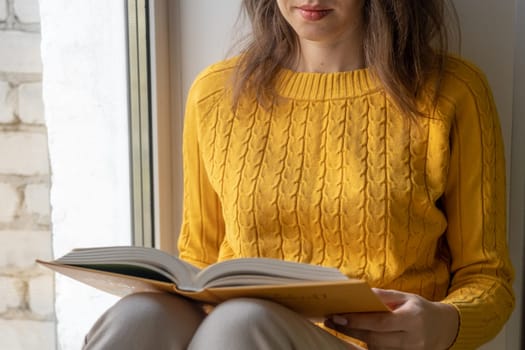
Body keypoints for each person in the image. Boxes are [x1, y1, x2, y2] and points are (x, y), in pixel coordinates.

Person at [83, 0, 515, 349]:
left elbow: (487, 279)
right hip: (231, 335)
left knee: (241, 322)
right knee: (139, 317)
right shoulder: (214, 95)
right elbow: (199, 260)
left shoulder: (452, 93)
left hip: (361, 345)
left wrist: (445, 322)